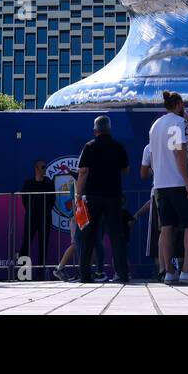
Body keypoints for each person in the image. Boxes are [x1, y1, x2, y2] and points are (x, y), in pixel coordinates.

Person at [148, 92, 188, 285]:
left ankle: (169, 271)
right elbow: (179, 154)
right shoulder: (178, 123)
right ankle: (187, 269)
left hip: (160, 185)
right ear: (179, 104)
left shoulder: (155, 125)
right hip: (178, 183)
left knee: (167, 228)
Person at [75, 114, 130, 284]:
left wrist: (78, 194)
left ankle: (85, 275)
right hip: (113, 196)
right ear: (109, 129)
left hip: (93, 197)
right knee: (116, 236)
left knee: (88, 237)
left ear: (95, 130)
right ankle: (122, 274)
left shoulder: (89, 147)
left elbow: (83, 172)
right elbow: (126, 169)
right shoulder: (118, 146)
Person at [18, 160, 55, 279]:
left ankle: (40, 274)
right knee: (25, 244)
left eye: (45, 167)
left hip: (45, 217)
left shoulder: (49, 183)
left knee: (43, 245)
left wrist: (45, 211)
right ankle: (23, 274)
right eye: (42, 167)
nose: (44, 170)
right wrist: (31, 210)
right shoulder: (28, 183)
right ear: (36, 169)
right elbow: (24, 200)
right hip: (31, 217)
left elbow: (52, 200)